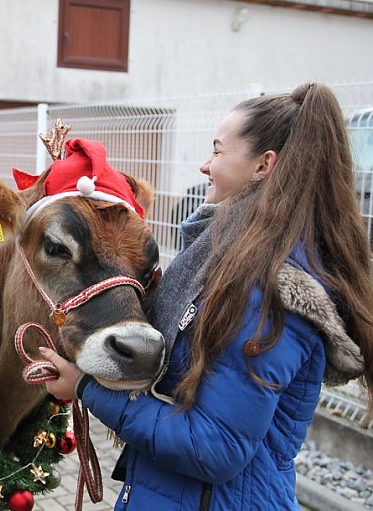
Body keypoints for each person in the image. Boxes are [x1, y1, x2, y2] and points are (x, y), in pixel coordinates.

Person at [41, 82, 373, 510]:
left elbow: (212, 447)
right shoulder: (226, 258)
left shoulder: (267, 291)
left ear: (263, 165)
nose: (204, 165)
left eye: (218, 151)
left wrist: (87, 388)